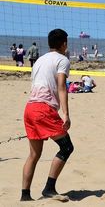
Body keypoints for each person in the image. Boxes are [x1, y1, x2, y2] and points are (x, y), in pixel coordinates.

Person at [21, 29, 73, 202]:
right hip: (43, 109)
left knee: (34, 155)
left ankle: (25, 196)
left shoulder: (40, 60)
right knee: (67, 147)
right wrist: (66, 114)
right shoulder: (62, 60)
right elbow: (61, 86)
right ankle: (49, 189)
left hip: (29, 108)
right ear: (64, 43)